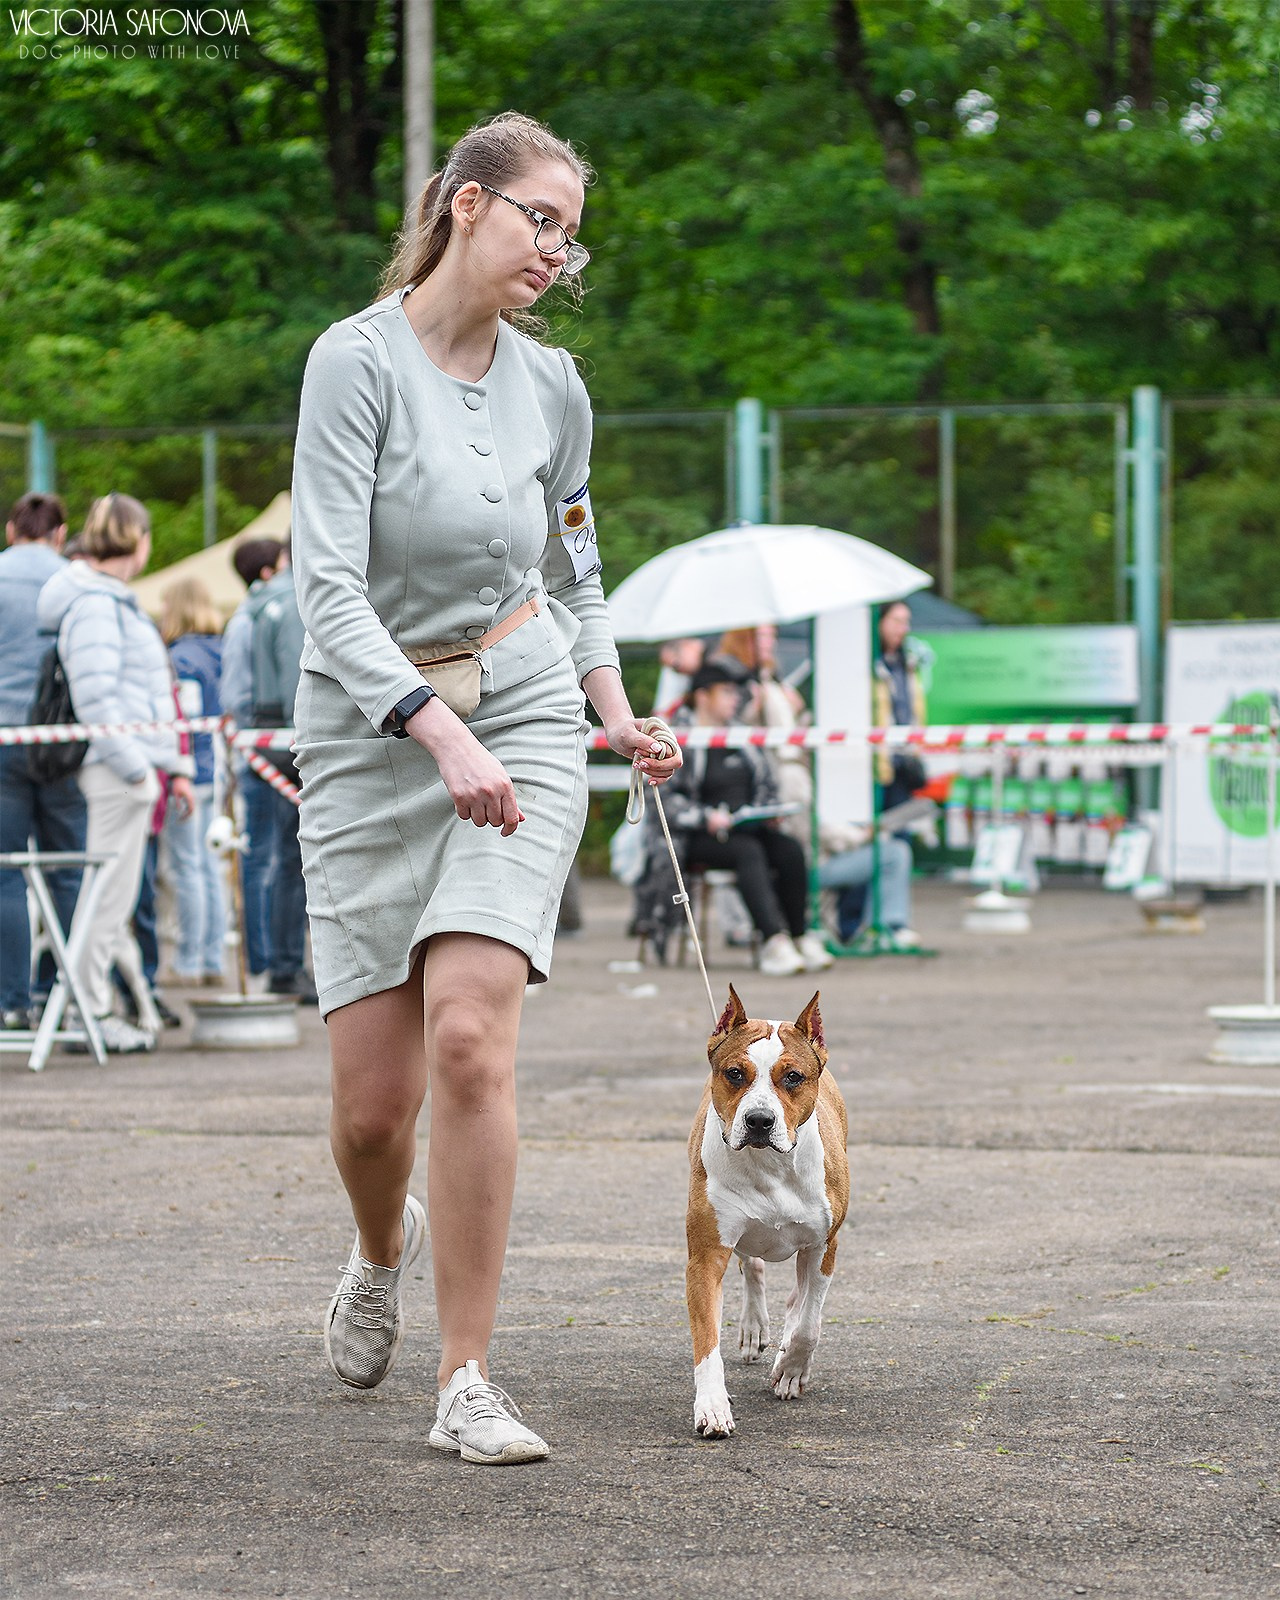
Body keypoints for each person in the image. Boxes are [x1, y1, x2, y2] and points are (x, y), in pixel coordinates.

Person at [290, 111, 680, 1464]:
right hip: (368, 729)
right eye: (541, 220)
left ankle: (466, 1378)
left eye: (572, 235)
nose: (558, 252)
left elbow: (575, 570)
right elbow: (325, 586)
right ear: (466, 204)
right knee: (370, 1114)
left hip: (520, 705)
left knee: (468, 1036)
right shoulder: (353, 363)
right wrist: (428, 731)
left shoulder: (555, 385)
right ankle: (375, 1247)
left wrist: (612, 712)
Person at [35, 494, 195, 1054]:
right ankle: (90, 1012)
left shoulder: (104, 602)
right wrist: (139, 770)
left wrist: (166, 767)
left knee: (110, 899)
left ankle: (89, 1009)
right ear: (139, 540)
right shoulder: (98, 607)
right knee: (105, 901)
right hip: (115, 773)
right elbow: (98, 701)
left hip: (123, 769)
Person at [662, 661, 831, 977]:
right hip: (697, 837)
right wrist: (706, 817)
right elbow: (667, 800)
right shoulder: (677, 736)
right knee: (748, 852)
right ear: (702, 696)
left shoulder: (742, 736)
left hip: (748, 827)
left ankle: (800, 935)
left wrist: (769, 811)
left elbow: (767, 785)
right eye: (726, 692)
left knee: (790, 849)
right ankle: (773, 941)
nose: (735, 698)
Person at [0, 492, 86, 1030]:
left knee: (5, 873)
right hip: (62, 743)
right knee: (69, 870)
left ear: (12, 531)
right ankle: (65, 999)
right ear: (60, 534)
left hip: (3, 738)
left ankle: (12, 1003)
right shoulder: (73, 581)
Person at [243, 542, 313, 1003]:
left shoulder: (264, 604)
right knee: (296, 860)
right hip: (296, 738)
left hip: (274, 737)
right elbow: (296, 681)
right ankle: (287, 965)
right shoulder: (294, 602)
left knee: (286, 858)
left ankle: (284, 963)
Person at [220, 536, 285, 981]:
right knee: (262, 858)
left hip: (266, 753)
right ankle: (262, 960)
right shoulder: (248, 621)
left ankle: (273, 958)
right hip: (259, 756)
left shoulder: (252, 616)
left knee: (273, 858)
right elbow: (236, 695)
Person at [158, 576, 226, 986]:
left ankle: (189, 961)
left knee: (188, 867)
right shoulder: (221, 650)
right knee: (209, 865)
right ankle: (213, 959)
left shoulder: (180, 658)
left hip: (190, 771)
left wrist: (179, 768)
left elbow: (185, 719)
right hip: (217, 770)